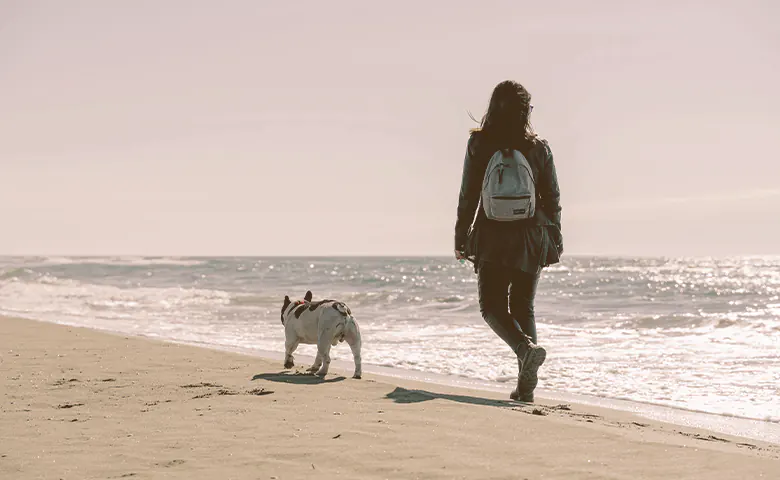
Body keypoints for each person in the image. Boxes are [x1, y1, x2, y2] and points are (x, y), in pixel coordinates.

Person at [454, 80, 563, 402]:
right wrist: (554, 235)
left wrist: (461, 237)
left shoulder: (479, 144)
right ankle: (526, 386)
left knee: (491, 306)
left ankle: (524, 350)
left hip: (492, 235)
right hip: (532, 235)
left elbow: (469, 193)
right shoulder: (539, 147)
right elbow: (552, 196)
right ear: (524, 111)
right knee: (522, 306)